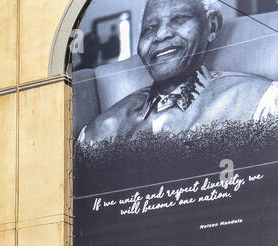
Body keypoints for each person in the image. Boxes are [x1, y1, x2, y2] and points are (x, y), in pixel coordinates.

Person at [78, 0, 278, 144]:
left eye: (180, 18)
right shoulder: (100, 130)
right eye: (149, 28)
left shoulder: (261, 101)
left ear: (212, 25)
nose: (161, 34)